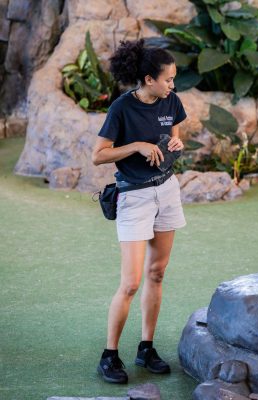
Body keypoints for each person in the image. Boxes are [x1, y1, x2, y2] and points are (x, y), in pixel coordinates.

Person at [91, 39, 187, 384]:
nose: (172, 85)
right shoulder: (121, 108)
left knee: (157, 273)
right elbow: (98, 155)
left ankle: (146, 348)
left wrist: (176, 144)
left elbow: (175, 141)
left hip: (167, 191)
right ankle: (109, 355)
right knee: (131, 283)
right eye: (167, 79)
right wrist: (136, 146)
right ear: (149, 79)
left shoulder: (171, 101)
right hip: (134, 197)